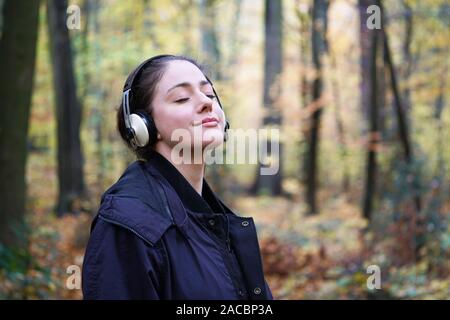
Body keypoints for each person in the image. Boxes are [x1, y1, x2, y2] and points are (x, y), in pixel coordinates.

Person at [82, 54, 273, 300]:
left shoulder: (212, 219)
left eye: (210, 95)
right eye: (182, 98)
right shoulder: (128, 222)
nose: (206, 103)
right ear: (143, 125)